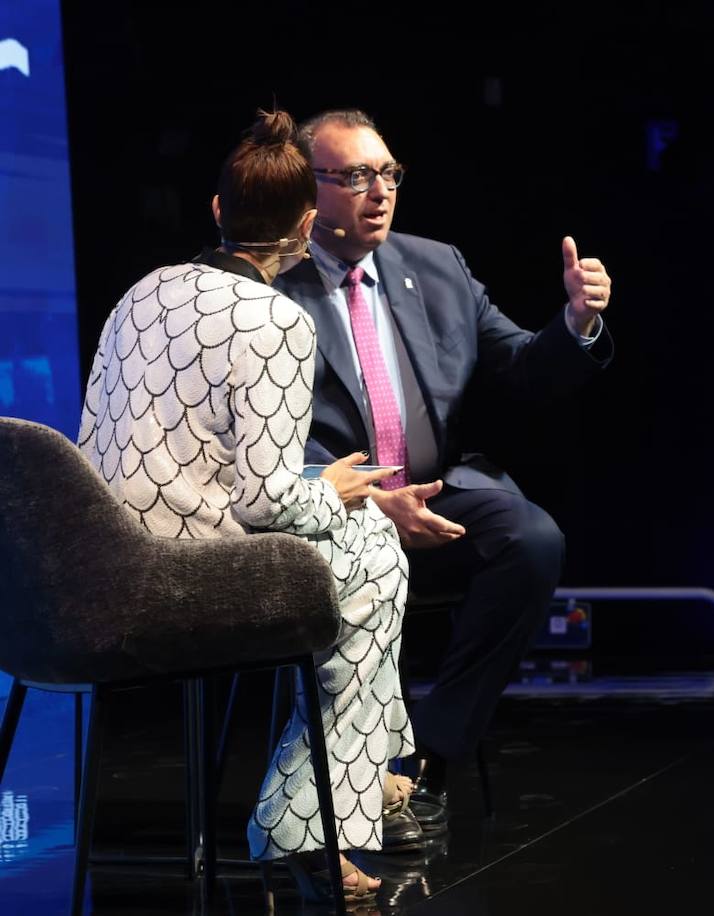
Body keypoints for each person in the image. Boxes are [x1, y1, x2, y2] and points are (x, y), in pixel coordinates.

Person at [78, 109, 415, 903]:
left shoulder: (142, 289)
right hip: (188, 586)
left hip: (91, 576)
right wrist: (326, 489)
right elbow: (268, 508)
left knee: (357, 538)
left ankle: (370, 767)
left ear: (219, 210)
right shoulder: (277, 321)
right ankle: (304, 826)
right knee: (374, 552)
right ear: (306, 226)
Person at [275, 109, 614, 818]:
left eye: (390, 172)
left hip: (435, 495)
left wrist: (576, 322)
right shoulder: (271, 285)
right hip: (329, 515)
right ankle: (335, 787)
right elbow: (268, 435)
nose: (382, 191)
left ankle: (430, 754)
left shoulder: (435, 265)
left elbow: (522, 370)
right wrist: (364, 500)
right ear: (309, 190)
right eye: (358, 176)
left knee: (531, 539)